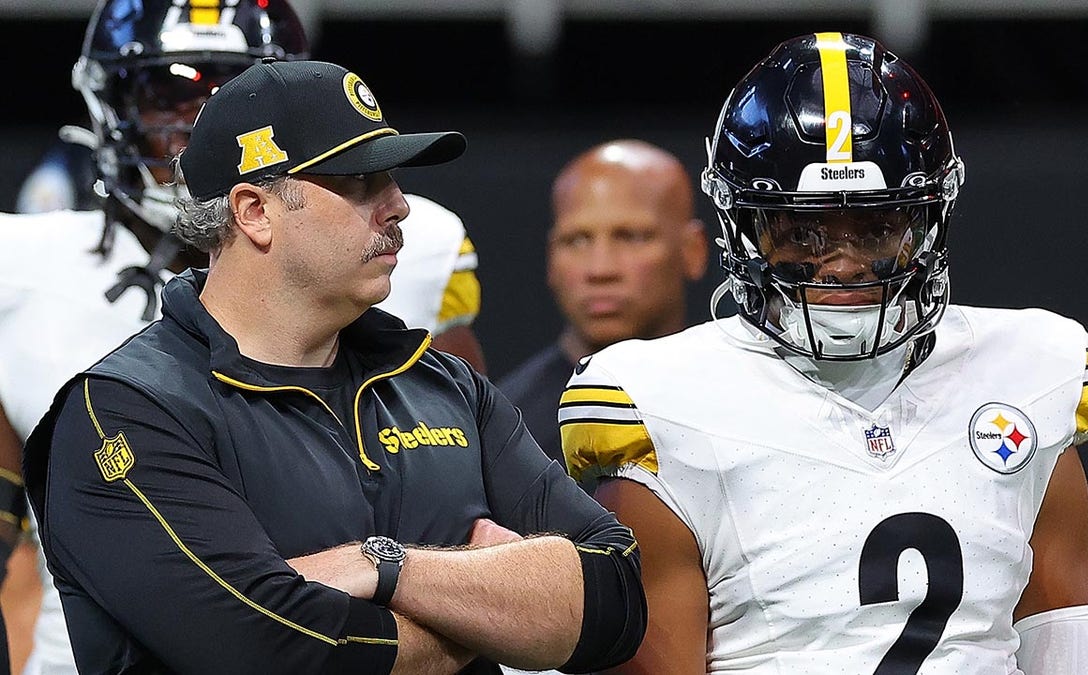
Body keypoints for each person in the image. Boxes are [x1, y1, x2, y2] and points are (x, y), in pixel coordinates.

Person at [23, 58, 645, 674]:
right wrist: (499, 611)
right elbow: (268, 652)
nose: (399, 205)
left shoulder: (443, 384)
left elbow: (616, 598)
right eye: (358, 182)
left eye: (393, 179)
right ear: (254, 211)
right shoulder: (125, 410)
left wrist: (383, 566)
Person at [560, 32, 1088, 674]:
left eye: (878, 227)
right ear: (743, 228)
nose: (844, 264)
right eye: (803, 232)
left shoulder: (1030, 367)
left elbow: (1062, 624)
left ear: (928, 219)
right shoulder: (660, 400)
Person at [2, 2, 487, 672]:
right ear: (109, 101)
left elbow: (485, 519)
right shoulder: (19, 269)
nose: (200, 118)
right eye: (168, 91)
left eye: (229, 90)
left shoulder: (407, 241)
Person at [499, 140, 707, 464]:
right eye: (577, 240)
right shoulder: (502, 431)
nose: (600, 270)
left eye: (631, 237)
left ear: (693, 250)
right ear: (551, 259)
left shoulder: (748, 405)